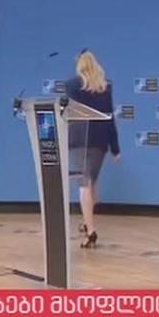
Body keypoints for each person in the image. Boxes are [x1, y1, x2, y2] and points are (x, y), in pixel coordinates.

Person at [63, 49, 120, 249]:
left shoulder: (71, 85)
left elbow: (68, 114)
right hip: (100, 142)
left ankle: (91, 230)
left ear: (79, 65)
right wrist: (115, 148)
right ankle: (87, 221)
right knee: (92, 183)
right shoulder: (105, 87)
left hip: (80, 141)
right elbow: (110, 118)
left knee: (84, 185)